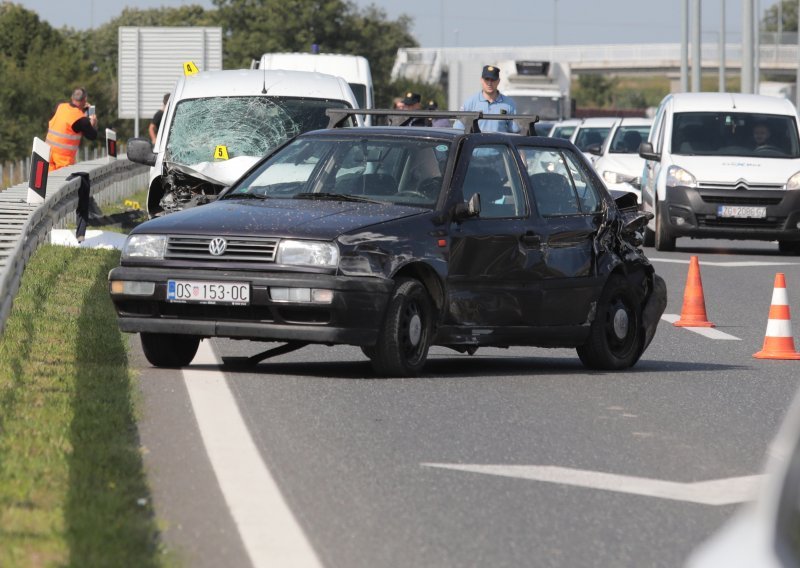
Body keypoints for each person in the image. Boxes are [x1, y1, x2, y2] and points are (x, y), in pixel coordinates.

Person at [454, 65, 520, 133]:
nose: (489, 83)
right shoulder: (470, 103)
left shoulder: (509, 104)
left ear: (498, 81)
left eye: (493, 80)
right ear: (481, 80)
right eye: (487, 79)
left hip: (499, 143)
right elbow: (458, 129)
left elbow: (515, 131)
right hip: (477, 143)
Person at [45, 87, 98, 171]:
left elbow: (67, 117)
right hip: (63, 162)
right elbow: (93, 136)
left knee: (47, 182)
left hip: (47, 156)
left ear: (72, 97)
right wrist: (93, 123)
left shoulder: (60, 107)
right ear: (85, 100)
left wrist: (81, 110)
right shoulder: (81, 119)